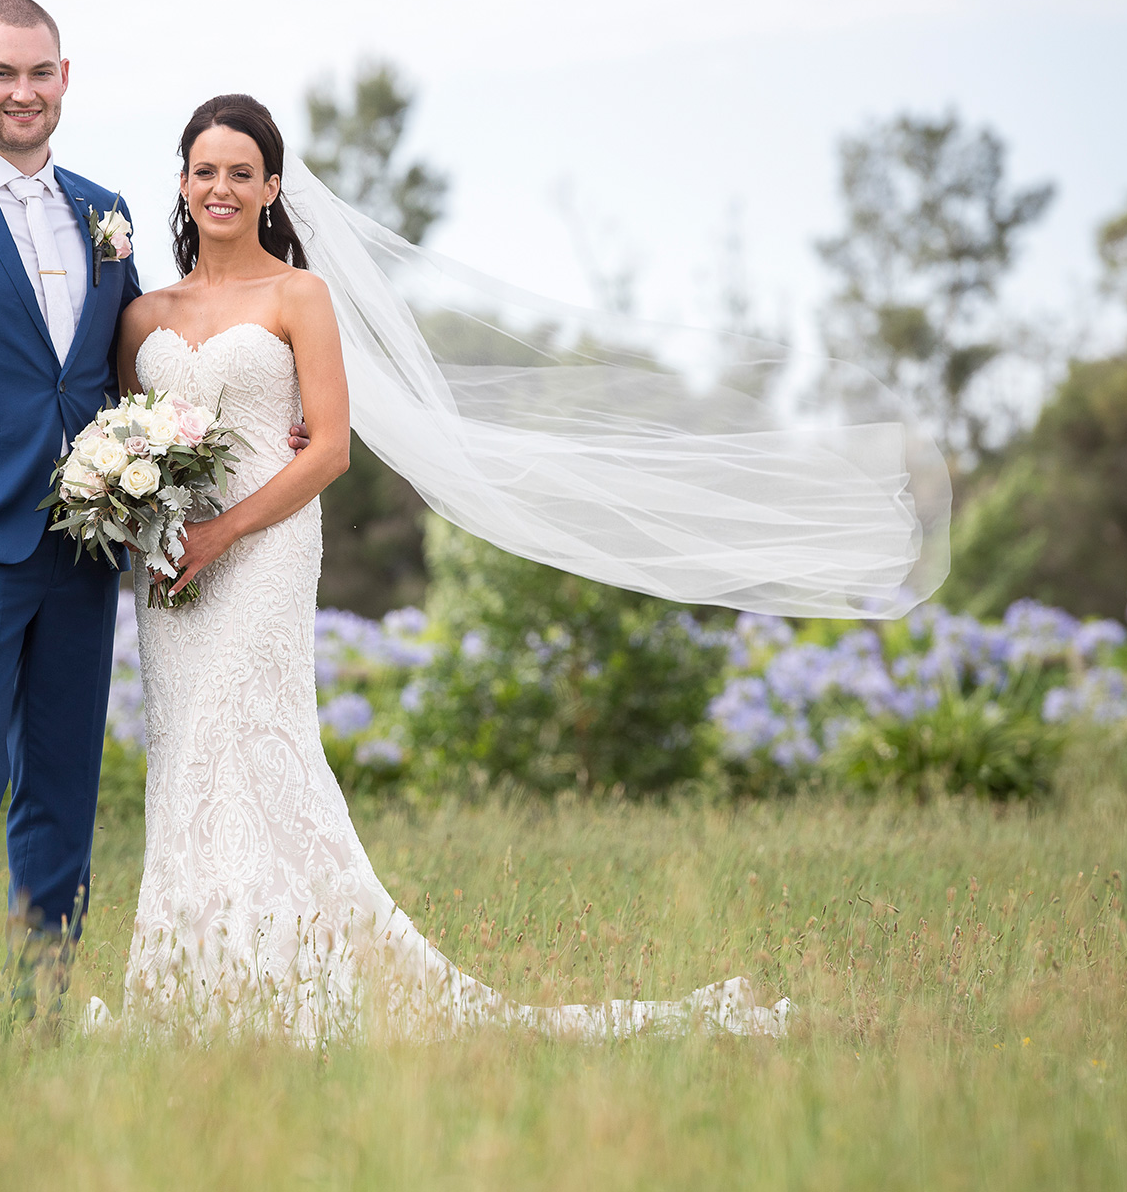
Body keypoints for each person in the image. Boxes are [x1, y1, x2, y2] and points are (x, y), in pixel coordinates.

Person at [106, 95, 793, 1040]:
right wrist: (139, 514)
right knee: (189, 754)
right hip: (170, 572)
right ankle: (197, 981)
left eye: (241, 171)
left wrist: (222, 535)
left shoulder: (298, 296)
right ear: (182, 181)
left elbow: (329, 448)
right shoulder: (143, 311)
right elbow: (120, 434)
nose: (220, 187)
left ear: (271, 187)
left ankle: (288, 983)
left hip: (262, 551)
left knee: (254, 742)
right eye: (204, 170)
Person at [0, 0, 308, 1011]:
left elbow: (131, 374)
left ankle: (42, 1009)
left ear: (64, 80)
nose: (22, 93)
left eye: (39, 74)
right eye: (2, 74)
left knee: (63, 790)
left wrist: (274, 423)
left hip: (86, 552)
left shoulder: (103, 210)